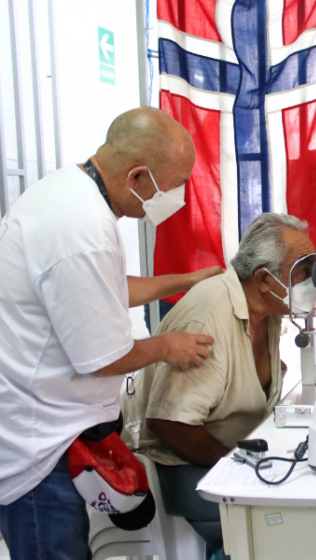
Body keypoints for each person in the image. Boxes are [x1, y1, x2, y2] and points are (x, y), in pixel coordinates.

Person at [0, 107, 223, 560]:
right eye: (176, 184)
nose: (179, 195)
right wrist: (166, 347)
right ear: (138, 177)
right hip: (42, 444)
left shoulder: (71, 194)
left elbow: (104, 290)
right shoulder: (82, 228)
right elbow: (100, 356)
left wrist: (183, 281)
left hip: (60, 425)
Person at [127, 213, 316, 557]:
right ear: (263, 278)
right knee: (283, 523)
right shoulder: (210, 315)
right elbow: (169, 423)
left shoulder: (267, 312)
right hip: (180, 467)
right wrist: (239, 467)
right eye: (303, 270)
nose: (312, 281)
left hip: (233, 455)